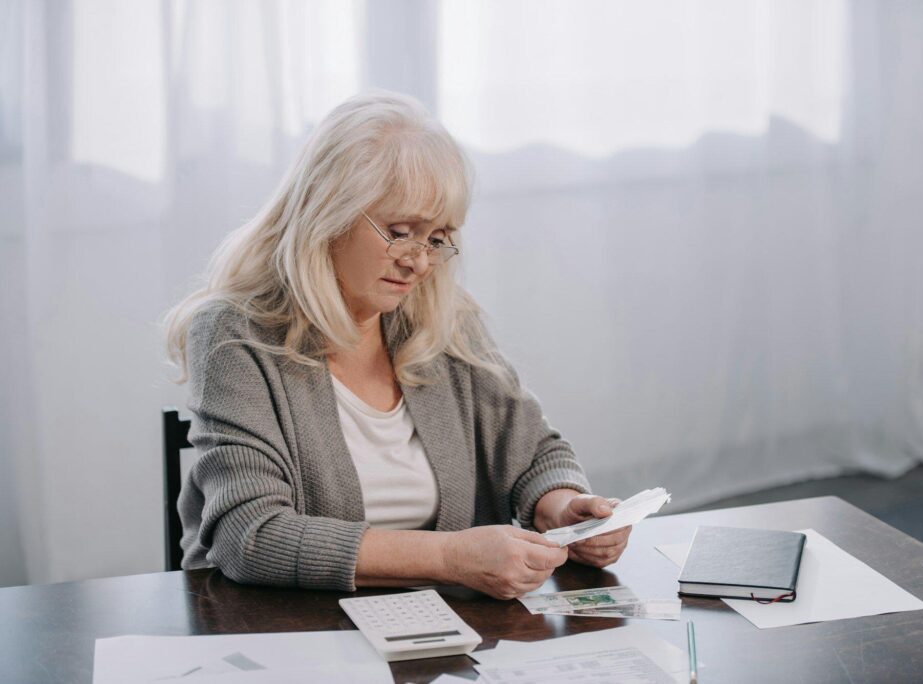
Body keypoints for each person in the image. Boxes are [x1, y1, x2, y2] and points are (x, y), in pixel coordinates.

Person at [164, 90, 631, 599]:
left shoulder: (438, 316)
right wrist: (451, 558)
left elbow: (532, 452)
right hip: (284, 629)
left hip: (441, 632)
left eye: (437, 238)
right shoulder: (235, 333)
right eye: (400, 231)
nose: (420, 262)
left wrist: (564, 508)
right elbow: (250, 536)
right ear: (329, 213)